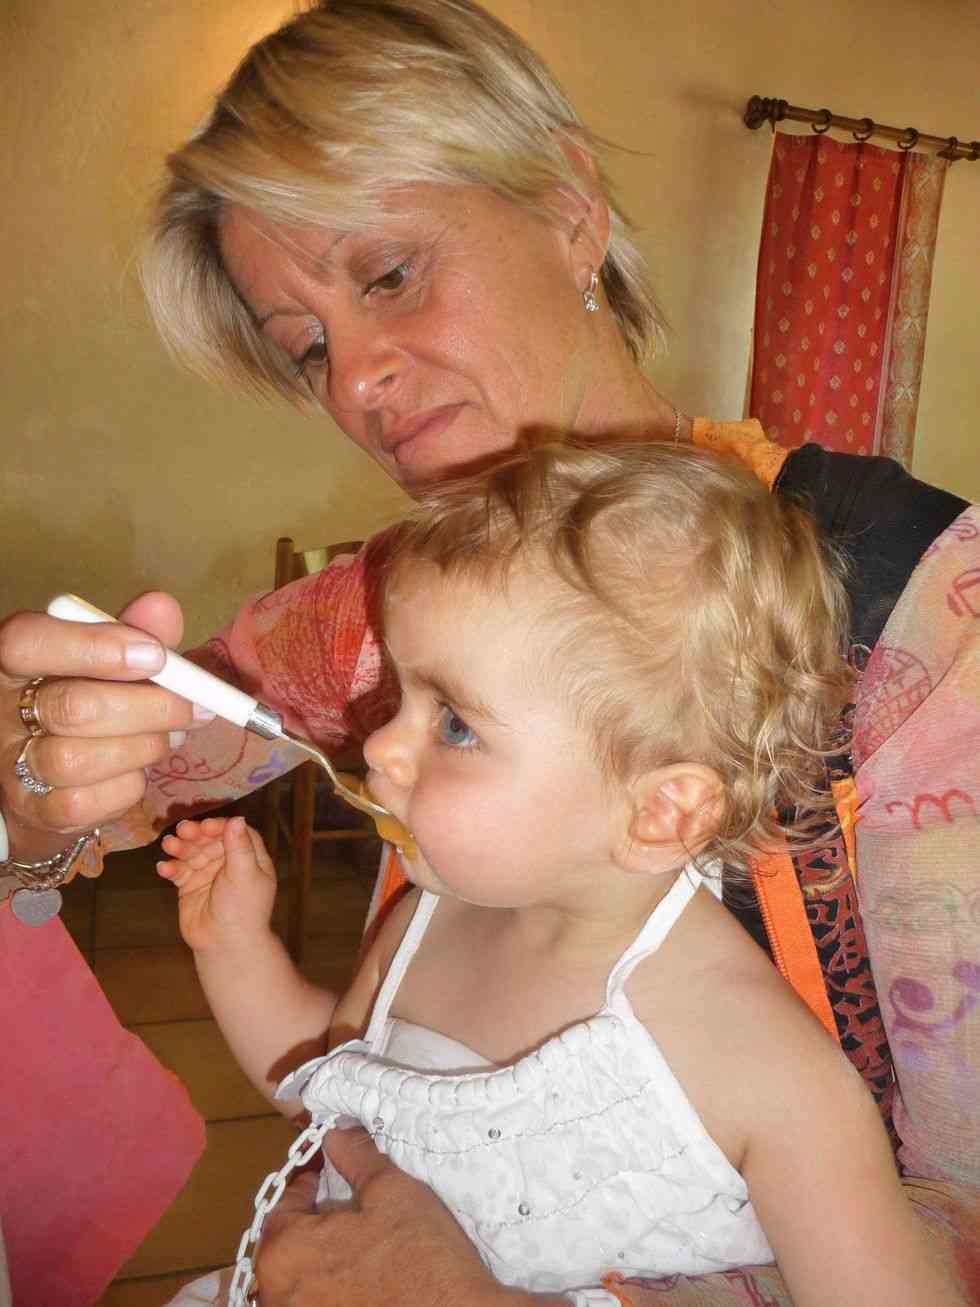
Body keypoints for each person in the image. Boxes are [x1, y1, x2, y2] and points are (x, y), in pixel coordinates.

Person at [0, 2, 976, 1304]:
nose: (355, 383)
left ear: (570, 210)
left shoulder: (925, 615)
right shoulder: (369, 613)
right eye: (308, 348)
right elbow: (130, 780)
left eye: (389, 275)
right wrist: (37, 782)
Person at [157, 441, 966, 1307]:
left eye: (455, 723)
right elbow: (333, 1098)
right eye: (400, 694)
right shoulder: (426, 920)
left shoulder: (763, 1065)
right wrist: (235, 948)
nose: (381, 743)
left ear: (661, 813)